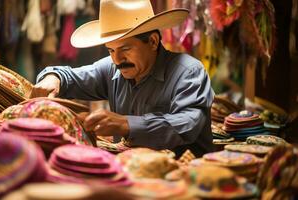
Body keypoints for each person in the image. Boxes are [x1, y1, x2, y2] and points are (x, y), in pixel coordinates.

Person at [31, 0, 214, 157]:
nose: (117, 60)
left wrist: (125, 124)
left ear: (152, 41)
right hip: (131, 176)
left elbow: (187, 124)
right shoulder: (112, 69)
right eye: (111, 50)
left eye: (125, 49)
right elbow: (69, 77)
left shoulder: (188, 72)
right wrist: (53, 78)